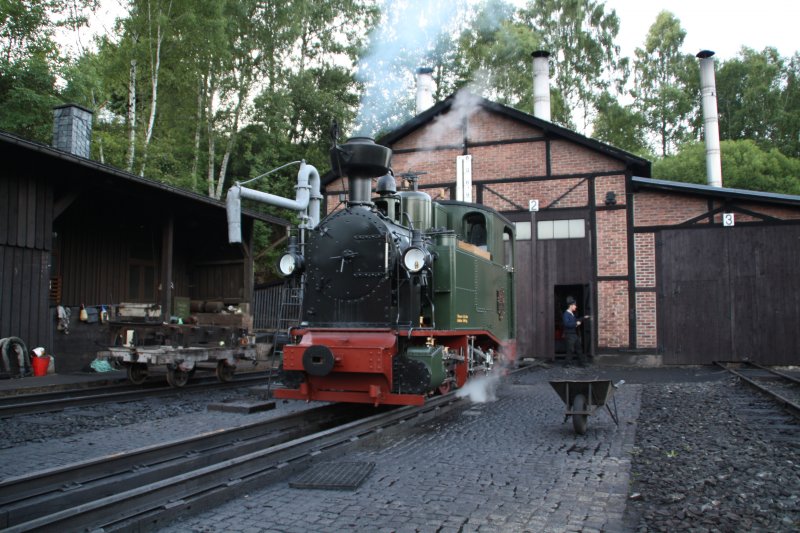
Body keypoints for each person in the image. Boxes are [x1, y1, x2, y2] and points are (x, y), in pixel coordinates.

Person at [562, 296, 589, 367]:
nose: (576, 307)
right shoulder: (566, 314)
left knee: (579, 348)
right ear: (571, 306)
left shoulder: (571, 314)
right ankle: (566, 364)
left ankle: (581, 363)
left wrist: (583, 318)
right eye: (575, 305)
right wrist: (576, 324)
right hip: (569, 335)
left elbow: (575, 320)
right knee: (570, 350)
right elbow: (567, 324)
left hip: (573, 334)